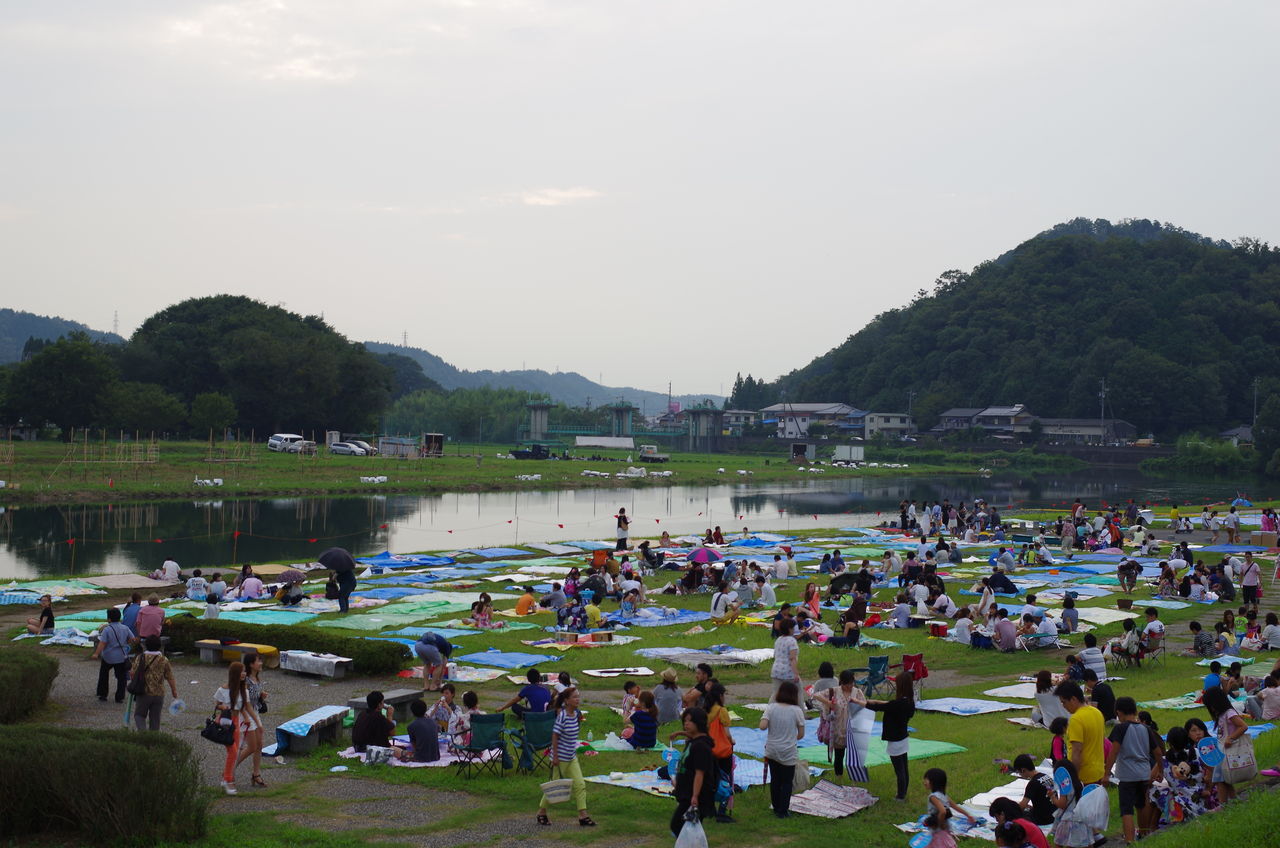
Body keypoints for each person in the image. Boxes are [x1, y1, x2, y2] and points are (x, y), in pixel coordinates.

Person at [1104, 696, 1164, 843]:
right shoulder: (1145, 728)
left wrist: (1106, 774)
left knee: (1127, 810)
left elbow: (1113, 752)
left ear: (1119, 712)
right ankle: (1144, 835)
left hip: (1127, 775)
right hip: (1144, 774)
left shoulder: (1120, 728)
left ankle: (1130, 841)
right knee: (1142, 805)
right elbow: (1158, 752)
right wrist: (1161, 771)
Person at [537, 687, 594, 827]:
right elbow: (555, 736)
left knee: (580, 784)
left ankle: (583, 815)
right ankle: (541, 812)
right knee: (554, 786)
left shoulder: (577, 714)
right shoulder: (562, 716)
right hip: (560, 758)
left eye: (578, 696)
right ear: (567, 701)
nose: (577, 699)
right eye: (574, 697)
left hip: (571, 757)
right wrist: (555, 757)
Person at [760, 681, 806, 818]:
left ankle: (776, 807)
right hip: (788, 751)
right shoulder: (797, 711)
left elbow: (762, 726)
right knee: (787, 782)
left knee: (775, 779)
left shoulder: (771, 708)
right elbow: (801, 734)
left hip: (772, 750)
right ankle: (783, 810)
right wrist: (791, 739)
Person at [669, 707, 717, 837]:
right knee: (686, 827)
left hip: (694, 795)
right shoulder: (694, 741)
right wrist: (680, 733)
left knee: (677, 825)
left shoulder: (701, 746)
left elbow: (700, 773)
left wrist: (695, 796)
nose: (686, 723)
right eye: (685, 720)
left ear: (699, 722)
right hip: (687, 792)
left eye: (690, 721)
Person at [214, 661, 259, 795]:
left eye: (245, 671)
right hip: (225, 722)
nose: (244, 674)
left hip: (236, 722)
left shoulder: (243, 690)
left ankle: (226, 777)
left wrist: (247, 718)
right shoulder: (223, 689)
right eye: (242, 671)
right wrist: (223, 707)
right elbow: (217, 704)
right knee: (233, 752)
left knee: (234, 752)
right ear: (235, 674)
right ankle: (229, 780)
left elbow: (243, 707)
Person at [868, 673, 916, 800]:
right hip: (903, 738)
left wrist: (859, 702)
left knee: (899, 770)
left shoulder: (897, 704)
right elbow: (886, 704)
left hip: (896, 741)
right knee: (904, 768)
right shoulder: (909, 701)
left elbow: (879, 707)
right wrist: (871, 701)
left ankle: (900, 796)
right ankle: (903, 793)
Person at [1055, 681, 1105, 789]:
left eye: (1064, 702)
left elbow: (1077, 751)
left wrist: (1074, 778)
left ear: (1073, 699)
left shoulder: (1076, 720)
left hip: (1084, 776)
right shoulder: (1097, 712)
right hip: (1098, 771)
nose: (1063, 706)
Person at [1204, 686, 1249, 802]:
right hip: (1223, 752)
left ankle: (1222, 805)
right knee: (1224, 779)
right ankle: (1234, 800)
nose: (1211, 709)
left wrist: (1231, 738)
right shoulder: (1221, 715)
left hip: (1229, 751)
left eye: (1211, 706)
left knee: (1220, 779)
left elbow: (1243, 726)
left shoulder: (1229, 713)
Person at [130, 634, 177, 731]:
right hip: (159, 693)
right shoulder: (164, 659)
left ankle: (143, 735)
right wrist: (174, 690)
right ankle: (153, 738)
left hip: (143, 692)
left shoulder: (140, 657)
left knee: (139, 715)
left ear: (146, 645)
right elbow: (170, 677)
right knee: (155, 719)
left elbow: (132, 673)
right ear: (159, 646)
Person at [92, 607, 135, 703]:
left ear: (109, 619)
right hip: (121, 656)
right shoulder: (125, 628)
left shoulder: (107, 629)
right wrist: (126, 643)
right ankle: (119, 697)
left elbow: (102, 643)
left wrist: (96, 653)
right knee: (122, 677)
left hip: (108, 656)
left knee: (104, 674)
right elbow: (132, 639)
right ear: (120, 617)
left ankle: (103, 694)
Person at [924, 767, 976, 839]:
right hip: (946, 825)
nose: (924, 782)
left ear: (934, 782)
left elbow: (943, 811)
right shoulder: (943, 795)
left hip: (937, 828)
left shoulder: (933, 797)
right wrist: (968, 815)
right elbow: (956, 807)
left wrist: (939, 824)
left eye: (926, 780)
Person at [1008, 754, 1057, 827]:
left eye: (1019, 772)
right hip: (1054, 815)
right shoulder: (1046, 776)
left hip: (1043, 819)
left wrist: (1010, 811)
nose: (1020, 775)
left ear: (1023, 770)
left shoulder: (1033, 784)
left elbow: (1022, 806)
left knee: (1017, 816)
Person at [770, 619, 801, 697]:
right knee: (797, 693)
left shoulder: (778, 639)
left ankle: (772, 705)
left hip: (776, 670)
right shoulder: (792, 641)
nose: (794, 630)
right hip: (788, 672)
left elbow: (775, 655)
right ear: (789, 629)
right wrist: (796, 674)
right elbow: (792, 658)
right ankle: (798, 706)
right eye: (793, 628)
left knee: (776, 694)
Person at [406, 698, 440, 762]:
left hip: (421, 758)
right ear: (425, 709)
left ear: (412, 712)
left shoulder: (411, 726)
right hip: (435, 756)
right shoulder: (434, 722)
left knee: (400, 752)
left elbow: (414, 744)